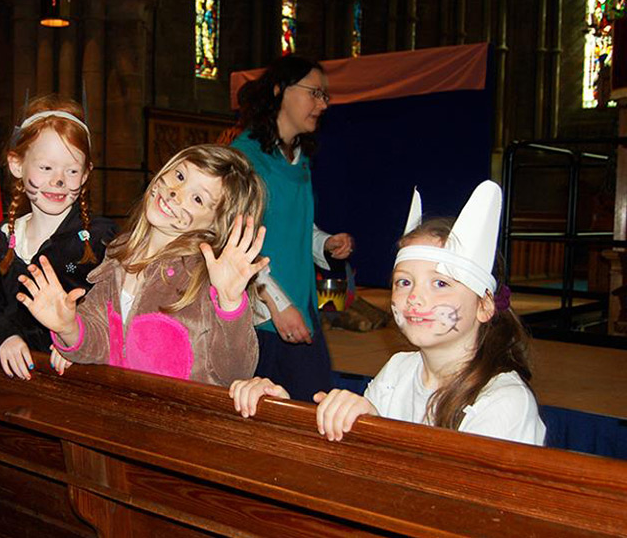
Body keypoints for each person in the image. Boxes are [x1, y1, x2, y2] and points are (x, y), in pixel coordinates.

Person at [230, 181, 546, 446]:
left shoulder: (504, 402)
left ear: (484, 305)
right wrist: (280, 409)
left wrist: (377, 428)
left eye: (440, 283)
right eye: (404, 282)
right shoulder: (399, 371)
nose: (415, 297)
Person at [17, 145, 266, 387]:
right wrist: (68, 327)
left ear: (216, 226)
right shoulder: (118, 254)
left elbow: (236, 373)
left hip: (179, 424)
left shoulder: (202, 278)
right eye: (179, 176)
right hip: (117, 414)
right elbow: (99, 342)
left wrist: (230, 302)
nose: (175, 193)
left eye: (198, 198)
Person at [227, 55, 354, 401]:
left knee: (314, 407)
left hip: (301, 306)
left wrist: (324, 243)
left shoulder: (299, 158)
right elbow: (233, 242)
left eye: (325, 97)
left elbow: (290, 225)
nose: (322, 104)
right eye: (315, 93)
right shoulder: (245, 158)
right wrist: (277, 304)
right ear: (280, 90)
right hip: (265, 318)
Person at [0, 95, 116, 380]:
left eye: (72, 170)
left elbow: (111, 311)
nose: (59, 181)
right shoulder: (4, 240)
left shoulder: (96, 241)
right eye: (46, 168)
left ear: (86, 173)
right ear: (17, 165)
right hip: (15, 380)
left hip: (77, 382)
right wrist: (6, 337)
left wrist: (74, 338)